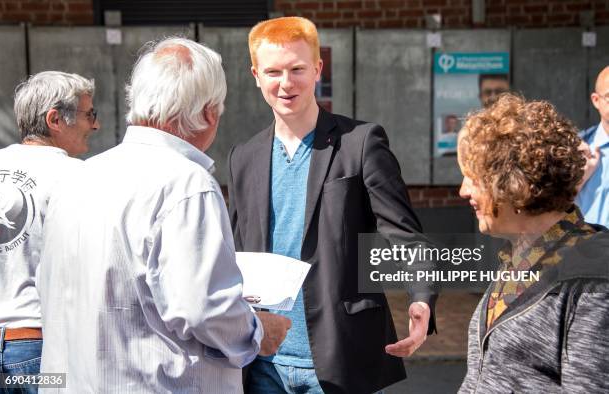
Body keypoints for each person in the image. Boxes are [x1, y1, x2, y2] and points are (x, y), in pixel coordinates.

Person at [37, 37, 290, 393]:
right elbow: (204, 311)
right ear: (208, 113)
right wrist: (259, 332)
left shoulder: (77, 178)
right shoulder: (188, 184)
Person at [227, 17, 436, 394]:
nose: (286, 83)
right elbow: (234, 252)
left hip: (340, 355)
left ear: (318, 69)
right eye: (273, 72)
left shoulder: (361, 142)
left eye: (297, 69)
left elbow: (405, 235)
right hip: (261, 361)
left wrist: (422, 296)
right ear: (255, 75)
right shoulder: (243, 157)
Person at [457, 94, 609, 393]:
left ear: (514, 182)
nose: (463, 191)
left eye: (473, 178)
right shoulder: (521, 257)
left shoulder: (592, 277)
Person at [0, 71, 99, 393]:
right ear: (55, 119)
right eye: (89, 115)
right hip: (41, 352)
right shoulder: (77, 176)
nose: (94, 125)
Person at [576, 66, 609, 226]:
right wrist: (580, 178)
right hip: (587, 247)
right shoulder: (578, 148)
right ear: (596, 100)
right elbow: (554, 204)